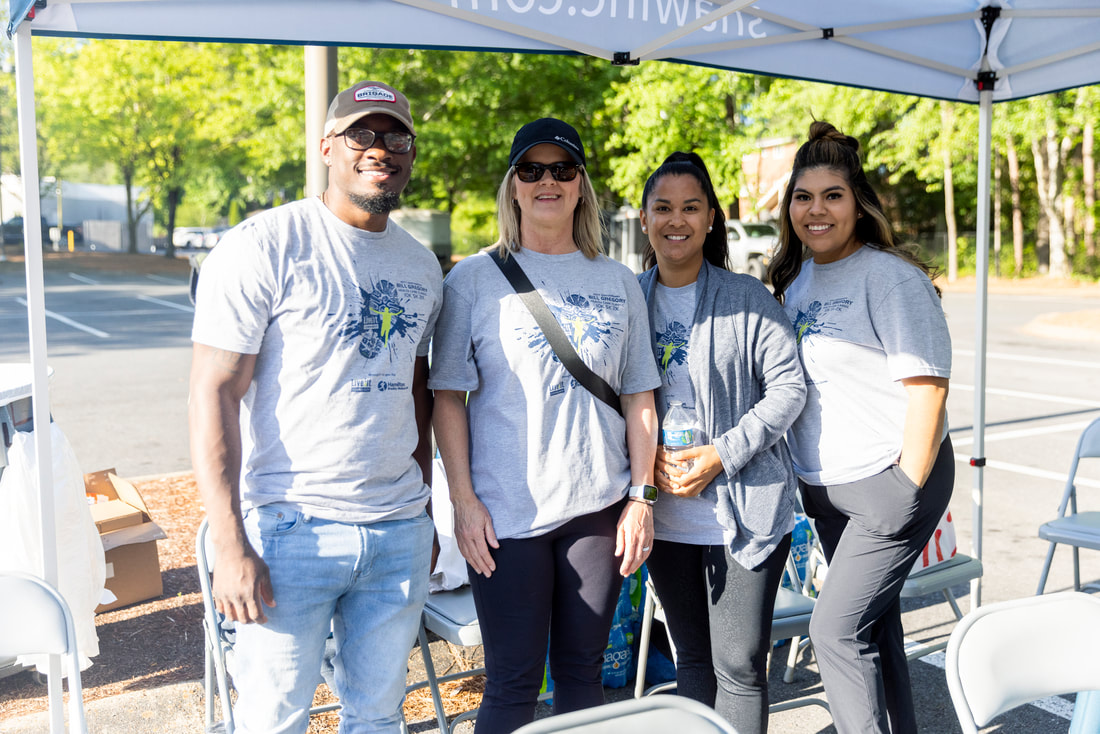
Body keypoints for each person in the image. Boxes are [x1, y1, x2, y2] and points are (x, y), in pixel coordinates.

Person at [188, 80, 443, 734]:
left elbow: (415, 393)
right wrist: (230, 542)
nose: (379, 149)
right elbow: (214, 393)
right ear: (328, 146)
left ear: (412, 153)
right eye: (362, 134)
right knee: (274, 722)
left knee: (378, 719)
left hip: (396, 531)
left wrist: (423, 510)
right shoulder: (264, 246)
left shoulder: (422, 267)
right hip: (289, 531)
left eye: (396, 137)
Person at [429, 118, 661, 734]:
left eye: (562, 169)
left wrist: (642, 498)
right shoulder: (473, 278)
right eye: (531, 170)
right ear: (513, 185)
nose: (547, 181)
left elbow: (639, 395)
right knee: (512, 683)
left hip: (598, 507)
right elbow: (447, 397)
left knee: (583, 676)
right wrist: (463, 502)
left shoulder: (618, 281)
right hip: (505, 516)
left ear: (581, 185)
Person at [768, 121, 954, 734]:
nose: (816, 210)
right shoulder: (797, 280)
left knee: (835, 632)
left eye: (832, 196)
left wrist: (905, 488)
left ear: (858, 203)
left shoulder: (889, 277)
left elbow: (929, 389)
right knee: (873, 630)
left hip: (888, 481)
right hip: (827, 488)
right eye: (803, 197)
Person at [636, 152, 806, 734]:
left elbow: (789, 388)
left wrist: (722, 454)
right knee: (692, 658)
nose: (676, 220)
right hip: (665, 516)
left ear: (711, 218)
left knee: (738, 665)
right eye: (663, 208)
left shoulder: (746, 297)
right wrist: (644, 462)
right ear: (644, 218)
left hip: (743, 508)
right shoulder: (629, 298)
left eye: (691, 207)